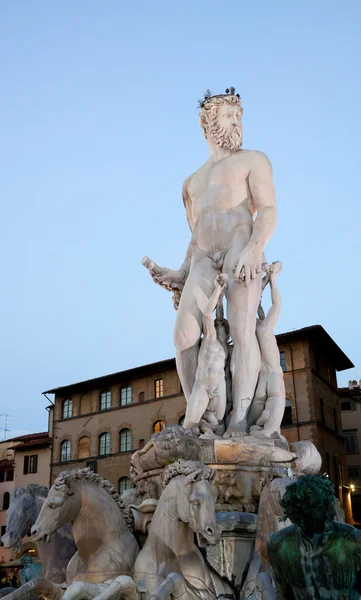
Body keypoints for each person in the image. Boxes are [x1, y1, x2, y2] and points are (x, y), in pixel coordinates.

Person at [144, 88, 277, 434]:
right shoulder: (190, 183)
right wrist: (180, 272)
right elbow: (196, 233)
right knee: (183, 334)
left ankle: (238, 422)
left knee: (242, 330)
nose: (237, 121)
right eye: (230, 115)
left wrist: (254, 247)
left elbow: (268, 209)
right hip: (203, 257)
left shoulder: (254, 159)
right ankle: (200, 419)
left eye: (239, 115)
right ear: (207, 121)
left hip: (239, 246)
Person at [268, 475, 361, 599]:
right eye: (319, 506)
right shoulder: (280, 544)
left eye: (330, 504)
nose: (330, 512)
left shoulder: (353, 541)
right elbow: (284, 595)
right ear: (300, 510)